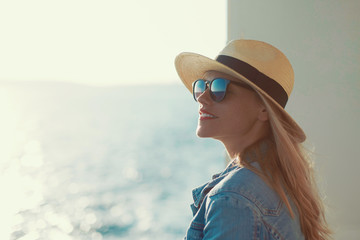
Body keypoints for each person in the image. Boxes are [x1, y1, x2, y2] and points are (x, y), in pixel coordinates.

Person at [174, 39, 331, 240]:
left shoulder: (233, 198)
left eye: (218, 88)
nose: (203, 97)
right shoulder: (279, 181)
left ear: (264, 108)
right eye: (202, 86)